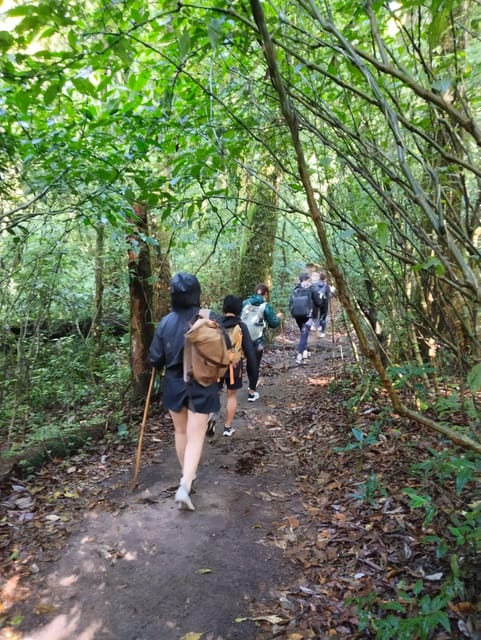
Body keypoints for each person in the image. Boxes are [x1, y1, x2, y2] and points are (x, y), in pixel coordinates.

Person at [148, 272, 220, 511]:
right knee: (196, 435)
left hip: (174, 383)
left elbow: (155, 359)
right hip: (203, 381)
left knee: (181, 432)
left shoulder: (165, 322)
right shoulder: (209, 318)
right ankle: (185, 485)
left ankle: (186, 478)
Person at [207, 295, 258, 437]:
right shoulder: (241, 326)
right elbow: (250, 352)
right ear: (239, 309)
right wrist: (253, 375)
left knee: (215, 392)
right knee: (231, 395)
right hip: (233, 366)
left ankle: (211, 416)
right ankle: (227, 428)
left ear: (224, 308)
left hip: (216, 364)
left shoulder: (215, 323)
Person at [242, 283, 283, 401]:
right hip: (257, 339)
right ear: (265, 294)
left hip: (242, 338)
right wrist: (279, 317)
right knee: (254, 363)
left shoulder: (245, 303)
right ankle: (251, 392)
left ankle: (246, 385)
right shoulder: (265, 305)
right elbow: (273, 323)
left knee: (249, 361)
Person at [289, 272, 322, 364]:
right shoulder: (311, 289)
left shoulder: (295, 289)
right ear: (307, 279)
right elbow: (319, 303)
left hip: (297, 315)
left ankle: (305, 352)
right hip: (308, 315)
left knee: (304, 333)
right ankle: (299, 356)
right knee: (304, 334)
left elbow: (290, 303)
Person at [311, 271, 331, 338]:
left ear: (319, 277)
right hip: (324, 303)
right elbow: (328, 296)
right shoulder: (327, 286)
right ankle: (322, 332)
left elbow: (312, 294)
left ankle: (314, 325)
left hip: (315, 302)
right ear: (325, 278)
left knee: (314, 315)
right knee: (323, 317)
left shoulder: (314, 285)